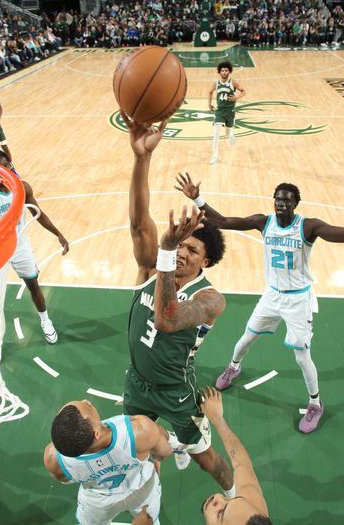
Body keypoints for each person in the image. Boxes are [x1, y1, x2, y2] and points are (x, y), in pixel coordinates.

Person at [175, 171, 344, 433]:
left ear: (295, 204)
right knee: (245, 338)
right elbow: (221, 221)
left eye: (287, 200)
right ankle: (233, 368)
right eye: (278, 199)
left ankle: (315, 404)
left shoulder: (308, 227)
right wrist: (198, 198)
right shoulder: (263, 222)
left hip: (298, 300)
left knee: (302, 358)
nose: (281, 204)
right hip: (272, 295)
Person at [120, 110, 236, 497]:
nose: (184, 253)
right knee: (136, 450)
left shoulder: (210, 298)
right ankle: (147, 495)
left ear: (207, 260)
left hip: (176, 390)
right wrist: (141, 158)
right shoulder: (151, 267)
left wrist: (167, 251)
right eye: (181, 245)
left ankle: (239, 496)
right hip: (137, 383)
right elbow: (139, 222)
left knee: (207, 460)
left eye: (193, 249)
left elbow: (168, 319)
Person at [0, 151, 68, 344]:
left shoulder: (22, 189)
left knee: (33, 285)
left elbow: (38, 214)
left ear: (10, 167)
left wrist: (58, 233)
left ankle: (45, 321)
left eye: (6, 166)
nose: (3, 170)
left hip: (19, 245)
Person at [43, 398, 171, 524]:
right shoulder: (139, 430)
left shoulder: (53, 459)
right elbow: (164, 454)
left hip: (98, 501)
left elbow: (64, 479)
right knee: (149, 521)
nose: (86, 401)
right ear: (96, 434)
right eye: (88, 406)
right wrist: (151, 450)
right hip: (141, 488)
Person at [199, 387, 271, 524]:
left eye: (221, 513)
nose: (217, 498)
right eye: (230, 499)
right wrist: (217, 418)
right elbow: (241, 463)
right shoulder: (254, 509)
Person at [208, 61, 245, 165]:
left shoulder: (232, 82)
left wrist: (236, 97)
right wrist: (209, 103)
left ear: (229, 71)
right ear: (219, 72)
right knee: (216, 130)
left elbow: (244, 91)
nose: (224, 72)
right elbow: (210, 92)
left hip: (230, 110)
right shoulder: (216, 83)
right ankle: (215, 155)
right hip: (219, 110)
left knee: (228, 132)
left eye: (226, 70)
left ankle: (231, 133)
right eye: (222, 70)